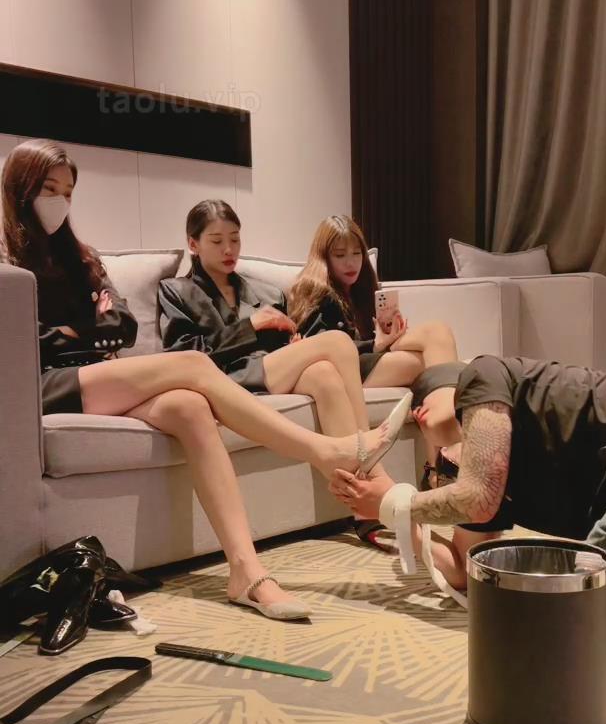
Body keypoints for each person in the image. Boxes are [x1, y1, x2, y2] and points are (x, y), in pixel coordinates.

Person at [0, 140, 407, 621]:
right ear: (21, 188)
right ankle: (327, 451)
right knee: (192, 366)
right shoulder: (6, 261)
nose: (61, 202)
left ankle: (245, 571)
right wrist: (85, 328)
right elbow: (28, 341)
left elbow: (122, 326)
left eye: (68, 192)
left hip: (98, 375)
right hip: (41, 385)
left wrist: (81, 331)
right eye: (50, 189)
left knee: (190, 406)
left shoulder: (80, 257)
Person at [331, 354, 606, 665]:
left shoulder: (483, 375)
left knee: (576, 615)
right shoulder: (491, 469)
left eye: (425, 394)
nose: (419, 410)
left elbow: (476, 498)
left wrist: (394, 502)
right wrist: (397, 519)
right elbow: (462, 568)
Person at [157, 200, 409, 547]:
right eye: (216, 241)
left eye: (235, 239)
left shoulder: (264, 291)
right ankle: (373, 464)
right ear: (193, 244)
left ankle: (362, 509)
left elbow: (281, 345)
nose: (229, 249)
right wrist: (250, 325)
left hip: (268, 371)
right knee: (337, 342)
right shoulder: (176, 290)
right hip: (224, 380)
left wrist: (294, 343)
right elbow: (183, 357)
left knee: (324, 374)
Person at [288, 215, 463, 480]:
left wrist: (386, 336)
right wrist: (377, 344)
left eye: (357, 253)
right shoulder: (313, 288)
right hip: (346, 369)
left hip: (369, 358)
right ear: (324, 257)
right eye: (340, 255)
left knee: (438, 335)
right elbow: (324, 347)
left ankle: (438, 466)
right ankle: (445, 457)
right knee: (433, 350)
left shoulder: (363, 288)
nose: (351, 262)